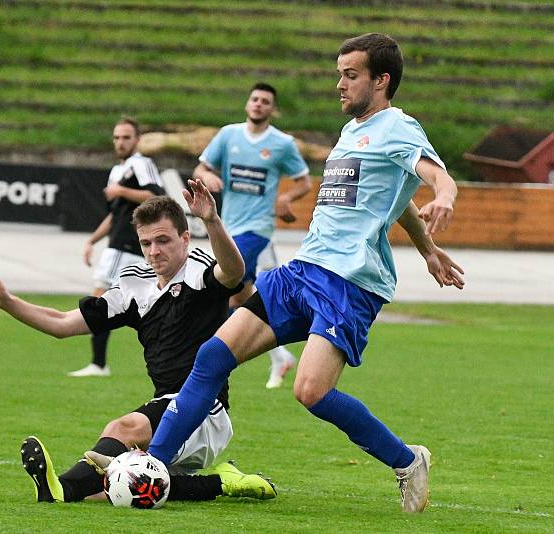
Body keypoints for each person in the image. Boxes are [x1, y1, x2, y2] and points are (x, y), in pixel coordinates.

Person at [146, 33, 465, 513]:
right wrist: (428, 249)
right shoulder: (352, 132)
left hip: (349, 282)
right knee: (212, 355)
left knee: (310, 391)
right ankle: (152, 468)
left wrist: (445, 196)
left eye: (350, 75)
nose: (339, 84)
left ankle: (407, 461)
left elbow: (435, 176)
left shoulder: (399, 128)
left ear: (381, 80)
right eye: (339, 73)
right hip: (302, 271)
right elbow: (396, 202)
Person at [0, 188, 277, 504]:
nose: (154, 251)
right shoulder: (134, 287)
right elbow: (62, 324)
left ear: (185, 239)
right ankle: (222, 482)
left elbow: (233, 272)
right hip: (165, 406)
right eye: (146, 243)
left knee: (124, 427)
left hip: (204, 411)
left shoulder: (198, 270)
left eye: (163, 240)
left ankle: (57, 488)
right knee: (121, 489)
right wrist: (7, 302)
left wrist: (211, 221)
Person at [193, 82, 312, 389]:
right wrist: (208, 177)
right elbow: (202, 168)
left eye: (266, 101)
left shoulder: (282, 143)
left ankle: (213, 360)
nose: (259, 104)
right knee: (243, 296)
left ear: (272, 109)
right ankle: (280, 356)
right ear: (248, 104)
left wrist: (286, 199)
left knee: (221, 287)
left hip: (256, 228)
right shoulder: (228, 135)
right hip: (228, 225)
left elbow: (303, 182)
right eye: (255, 99)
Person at [70, 117, 165, 377]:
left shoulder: (141, 164)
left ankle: (98, 364)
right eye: (116, 138)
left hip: (128, 244)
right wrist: (92, 240)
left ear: (137, 140)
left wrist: (122, 191)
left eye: (126, 137)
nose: (120, 142)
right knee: (142, 304)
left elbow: (156, 195)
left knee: (100, 299)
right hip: (120, 242)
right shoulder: (117, 171)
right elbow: (115, 217)